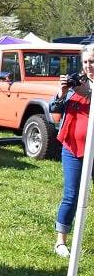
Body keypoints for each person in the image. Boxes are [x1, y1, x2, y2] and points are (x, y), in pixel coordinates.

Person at [51, 44, 94, 258]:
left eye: (92, 61)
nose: (88, 66)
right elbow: (55, 114)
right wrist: (62, 93)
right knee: (71, 196)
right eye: (86, 62)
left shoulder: (88, 87)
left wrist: (88, 94)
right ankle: (60, 242)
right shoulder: (75, 83)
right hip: (73, 150)